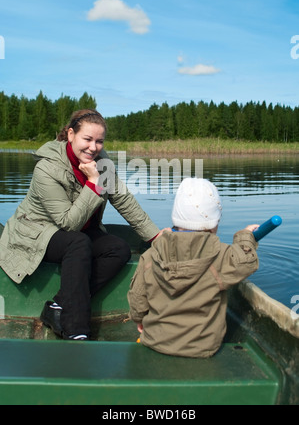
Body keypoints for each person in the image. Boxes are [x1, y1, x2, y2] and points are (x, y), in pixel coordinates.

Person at [0, 109, 161, 340]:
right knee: (78, 242)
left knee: (118, 248)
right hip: (37, 233)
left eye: (99, 141)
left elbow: (124, 200)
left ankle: (58, 306)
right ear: (71, 134)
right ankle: (76, 329)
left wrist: (156, 237)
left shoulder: (102, 164)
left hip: (78, 234)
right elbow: (68, 224)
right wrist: (94, 183)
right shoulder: (46, 168)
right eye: (87, 139)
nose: (93, 147)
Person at [127, 177, 259, 358]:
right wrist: (245, 236)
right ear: (214, 224)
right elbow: (246, 261)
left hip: (155, 341)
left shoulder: (151, 254)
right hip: (203, 348)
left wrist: (138, 318)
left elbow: (137, 297)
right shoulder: (221, 255)